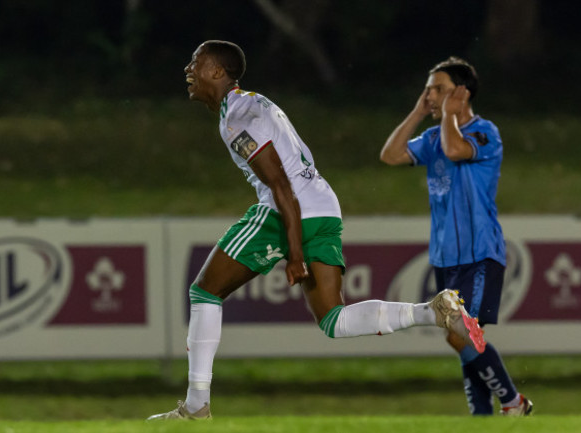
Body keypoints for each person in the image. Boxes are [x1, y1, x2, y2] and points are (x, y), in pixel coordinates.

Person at [147, 41, 485, 421]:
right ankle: (432, 311)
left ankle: (196, 407)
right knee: (333, 320)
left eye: (197, 62)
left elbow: (280, 187)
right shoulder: (253, 103)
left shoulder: (237, 118)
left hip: (287, 210)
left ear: (217, 72)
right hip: (324, 206)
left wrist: (294, 254)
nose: (189, 69)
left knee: (204, 291)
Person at [380, 57, 533, 416]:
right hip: (444, 257)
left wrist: (449, 114)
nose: (430, 95)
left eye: (439, 89)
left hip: (480, 254)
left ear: (462, 94)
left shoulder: (485, 132)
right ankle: (481, 417)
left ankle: (512, 403)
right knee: (462, 338)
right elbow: (389, 155)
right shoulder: (433, 136)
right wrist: (419, 112)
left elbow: (455, 150)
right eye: (428, 89)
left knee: (460, 334)